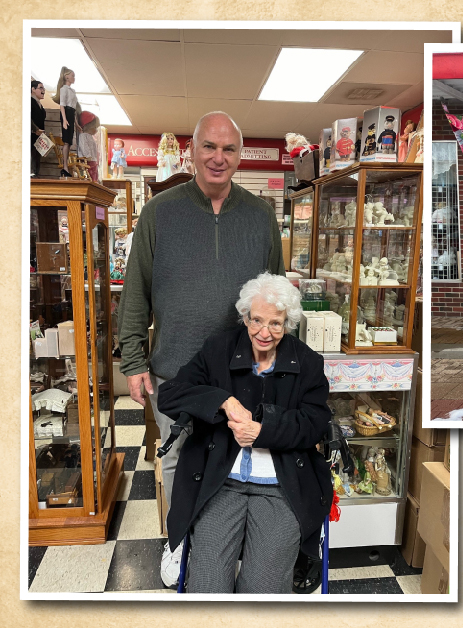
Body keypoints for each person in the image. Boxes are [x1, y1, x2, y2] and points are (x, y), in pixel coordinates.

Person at [117, 111, 283, 586]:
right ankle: (178, 544)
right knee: (176, 461)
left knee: (232, 465)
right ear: (192, 151)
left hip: (240, 374)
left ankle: (220, 549)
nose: (218, 157)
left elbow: (273, 293)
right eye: (209, 147)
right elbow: (136, 292)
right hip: (173, 373)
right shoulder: (159, 212)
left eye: (228, 149)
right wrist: (133, 361)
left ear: (239, 156)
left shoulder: (260, 215)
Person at [156, 274, 331, 593]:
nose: (264, 332)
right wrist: (223, 400)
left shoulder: (308, 363)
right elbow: (170, 394)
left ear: (288, 323)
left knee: (262, 588)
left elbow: (315, 423)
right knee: (207, 584)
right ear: (245, 317)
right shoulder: (219, 349)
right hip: (221, 482)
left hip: (281, 485)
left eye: (275, 324)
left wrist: (263, 430)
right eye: (257, 320)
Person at [52, 67, 78, 177]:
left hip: (71, 113)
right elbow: (62, 105)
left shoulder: (72, 91)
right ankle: (65, 166)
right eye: (72, 76)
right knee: (66, 141)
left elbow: (74, 108)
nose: (74, 78)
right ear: (66, 77)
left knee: (69, 141)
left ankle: (66, 166)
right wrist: (64, 120)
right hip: (66, 113)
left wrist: (76, 123)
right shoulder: (64, 89)